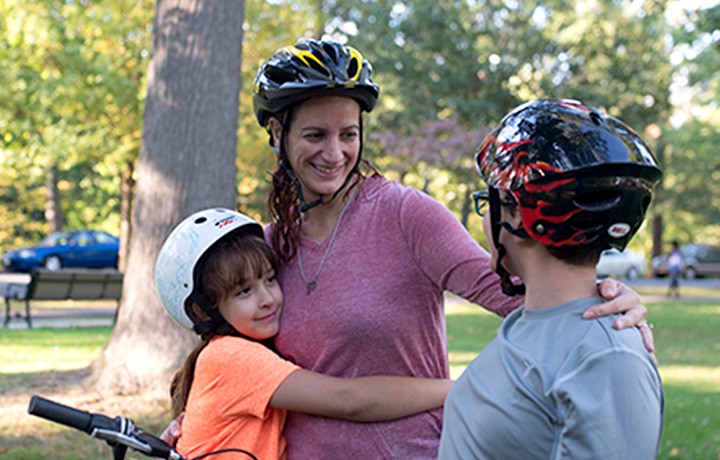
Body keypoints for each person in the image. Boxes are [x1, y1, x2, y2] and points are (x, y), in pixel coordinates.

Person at [164, 38, 654, 458]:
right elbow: (243, 364)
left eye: (348, 135)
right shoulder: (269, 250)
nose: (334, 153)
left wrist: (606, 300)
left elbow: (520, 292)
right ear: (278, 133)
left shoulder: (406, 215)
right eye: (315, 135)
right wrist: (197, 420)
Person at [438, 99, 665, 459]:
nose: (484, 221)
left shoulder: (607, 359)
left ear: (518, 218)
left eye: (491, 201)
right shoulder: (532, 324)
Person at [154, 207, 452, 460]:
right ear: (204, 312)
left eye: (269, 279)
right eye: (244, 291)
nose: (268, 298)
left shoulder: (239, 354)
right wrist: (452, 390)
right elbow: (348, 400)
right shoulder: (230, 356)